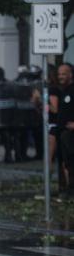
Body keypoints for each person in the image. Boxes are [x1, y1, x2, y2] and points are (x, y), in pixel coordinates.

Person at [51, 63, 74, 191]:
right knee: (67, 162)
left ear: (71, 75)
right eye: (59, 74)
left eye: (64, 74)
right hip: (63, 132)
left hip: (70, 133)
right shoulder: (63, 91)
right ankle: (68, 189)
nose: (61, 77)